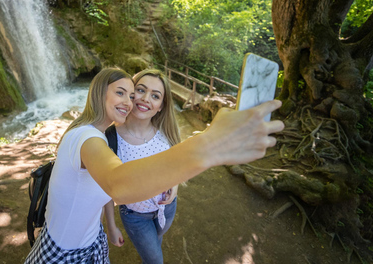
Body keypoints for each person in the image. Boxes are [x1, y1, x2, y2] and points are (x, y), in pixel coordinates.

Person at [24, 67, 284, 264]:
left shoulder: (100, 135)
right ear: (98, 92)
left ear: (161, 106)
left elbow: (105, 186)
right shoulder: (87, 138)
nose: (130, 101)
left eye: (130, 93)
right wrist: (210, 144)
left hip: (94, 240)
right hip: (67, 252)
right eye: (121, 92)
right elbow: (118, 183)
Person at [105, 69, 181, 263]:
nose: (146, 99)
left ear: (161, 106)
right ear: (131, 92)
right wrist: (111, 226)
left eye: (155, 96)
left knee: (156, 242)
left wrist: (175, 185)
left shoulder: (165, 131)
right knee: (155, 260)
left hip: (167, 209)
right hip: (136, 216)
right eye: (141, 90)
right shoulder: (110, 138)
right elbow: (105, 189)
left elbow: (175, 165)